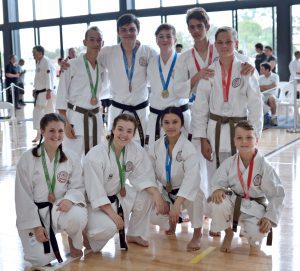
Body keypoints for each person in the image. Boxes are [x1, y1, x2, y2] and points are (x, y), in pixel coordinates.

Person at [191, 26, 263, 199]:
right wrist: (202, 138)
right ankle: (217, 216)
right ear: (215, 45)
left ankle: (240, 212)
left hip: (240, 130)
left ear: (236, 43)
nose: (224, 46)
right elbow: (200, 107)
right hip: (214, 130)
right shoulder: (209, 71)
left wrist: (255, 134)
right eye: (220, 42)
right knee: (214, 174)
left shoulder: (246, 70)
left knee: (241, 172)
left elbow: (256, 105)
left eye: (229, 42)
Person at [83, 113, 168, 252]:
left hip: (117, 196)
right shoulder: (95, 156)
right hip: (94, 204)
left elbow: (144, 176)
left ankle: (134, 234)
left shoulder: (134, 150)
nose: (124, 134)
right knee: (106, 231)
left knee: (147, 194)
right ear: (113, 129)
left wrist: (157, 196)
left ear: (134, 134)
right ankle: (84, 229)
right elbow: (95, 193)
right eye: (120, 129)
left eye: (129, 131)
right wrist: (115, 216)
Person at [15, 113, 87, 268]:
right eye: (52, 131)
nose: (57, 135)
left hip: (59, 207)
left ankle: (73, 238)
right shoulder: (28, 159)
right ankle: (44, 243)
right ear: (42, 131)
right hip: (35, 213)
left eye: (60, 131)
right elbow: (23, 197)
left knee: (76, 216)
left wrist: (69, 199)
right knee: (40, 260)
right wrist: (35, 225)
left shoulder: (71, 157)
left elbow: (78, 186)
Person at [209, 120, 285, 255]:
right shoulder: (230, 162)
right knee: (217, 201)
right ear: (234, 142)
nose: (244, 141)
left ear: (257, 140)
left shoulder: (264, 166)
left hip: (255, 207)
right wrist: (219, 189)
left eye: (249, 137)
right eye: (239, 138)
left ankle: (251, 236)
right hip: (234, 202)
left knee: (257, 236)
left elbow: (277, 194)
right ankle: (228, 233)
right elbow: (218, 181)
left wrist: (269, 217)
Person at [149, 107, 204, 251]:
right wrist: (158, 198)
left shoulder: (188, 148)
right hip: (167, 192)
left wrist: (177, 204)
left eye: (175, 122)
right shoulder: (155, 146)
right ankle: (172, 222)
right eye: (166, 122)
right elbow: (149, 174)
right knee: (153, 216)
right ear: (162, 125)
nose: (170, 126)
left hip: (185, 193)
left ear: (182, 124)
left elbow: (192, 179)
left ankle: (198, 232)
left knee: (196, 196)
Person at [98, 13, 157, 146]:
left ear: (138, 31)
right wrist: (70, 65)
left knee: (142, 148)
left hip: (141, 110)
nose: (128, 33)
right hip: (118, 109)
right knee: (116, 147)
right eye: (123, 30)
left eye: (131, 29)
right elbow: (89, 63)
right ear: (118, 32)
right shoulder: (108, 52)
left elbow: (160, 72)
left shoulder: (149, 52)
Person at [56, 26, 107, 158]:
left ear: (103, 43)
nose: (96, 43)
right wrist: (65, 125)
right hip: (75, 121)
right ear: (84, 42)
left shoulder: (102, 68)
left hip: (96, 121)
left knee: (95, 162)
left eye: (99, 40)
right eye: (92, 39)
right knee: (71, 161)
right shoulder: (71, 65)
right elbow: (61, 100)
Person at [146, 23, 190, 145]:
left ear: (175, 40)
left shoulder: (184, 60)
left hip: (178, 115)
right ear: (156, 40)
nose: (164, 40)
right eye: (161, 36)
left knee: (181, 155)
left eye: (168, 36)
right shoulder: (151, 61)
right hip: (157, 115)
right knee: (154, 155)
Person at [32, 45, 56, 142]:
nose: (33, 55)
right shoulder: (39, 62)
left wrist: (49, 91)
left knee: (45, 113)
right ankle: (40, 134)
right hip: (40, 92)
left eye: (34, 53)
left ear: (40, 53)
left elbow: (49, 77)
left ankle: (47, 135)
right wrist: (35, 89)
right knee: (40, 113)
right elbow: (39, 78)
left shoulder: (46, 62)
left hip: (45, 92)